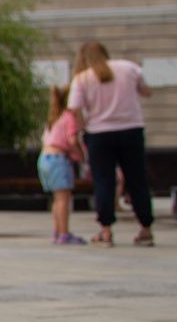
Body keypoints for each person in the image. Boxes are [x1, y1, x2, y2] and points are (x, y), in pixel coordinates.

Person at [67, 41, 155, 247]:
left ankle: (106, 230)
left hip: (99, 133)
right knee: (137, 180)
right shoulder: (128, 67)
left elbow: (74, 108)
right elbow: (147, 91)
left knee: (103, 181)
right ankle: (146, 228)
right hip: (131, 130)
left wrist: (83, 127)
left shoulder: (82, 78)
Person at [38, 86, 87, 245]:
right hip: (58, 158)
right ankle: (64, 233)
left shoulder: (53, 118)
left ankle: (58, 232)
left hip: (45, 158)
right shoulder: (68, 117)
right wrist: (81, 154)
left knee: (56, 199)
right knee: (63, 199)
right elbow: (72, 140)